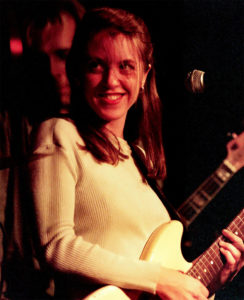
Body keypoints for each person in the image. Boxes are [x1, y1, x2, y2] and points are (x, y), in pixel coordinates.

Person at [27, 7, 244, 300]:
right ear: (78, 73)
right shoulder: (59, 133)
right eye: (96, 65)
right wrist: (159, 280)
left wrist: (211, 283)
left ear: (145, 74)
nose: (110, 80)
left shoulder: (139, 158)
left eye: (126, 66)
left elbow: (160, 282)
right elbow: (57, 246)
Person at [1, 0, 85, 299]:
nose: (52, 72)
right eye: (40, 59)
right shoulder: (10, 131)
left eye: (64, 56)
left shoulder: (99, 135)